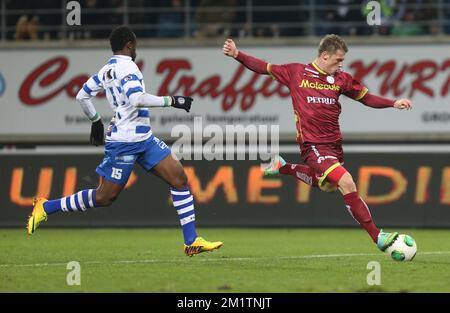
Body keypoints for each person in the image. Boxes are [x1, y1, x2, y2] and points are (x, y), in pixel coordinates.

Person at [27, 26, 223, 257]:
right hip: (125, 142)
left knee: (179, 178)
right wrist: (172, 100)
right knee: (104, 197)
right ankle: (46, 207)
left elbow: (82, 95)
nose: (136, 48)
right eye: (135, 44)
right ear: (129, 44)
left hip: (145, 139)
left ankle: (191, 241)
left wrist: (96, 121)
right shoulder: (128, 66)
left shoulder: (106, 70)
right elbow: (137, 98)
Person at [222, 35, 412, 253]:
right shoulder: (296, 72)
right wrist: (237, 54)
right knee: (347, 182)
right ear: (324, 55)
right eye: (338, 60)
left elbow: (366, 98)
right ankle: (377, 236)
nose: (341, 64)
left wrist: (393, 103)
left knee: (327, 184)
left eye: (342, 61)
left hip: (333, 146)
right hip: (311, 144)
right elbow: (263, 67)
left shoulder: (342, 79)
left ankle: (283, 167)